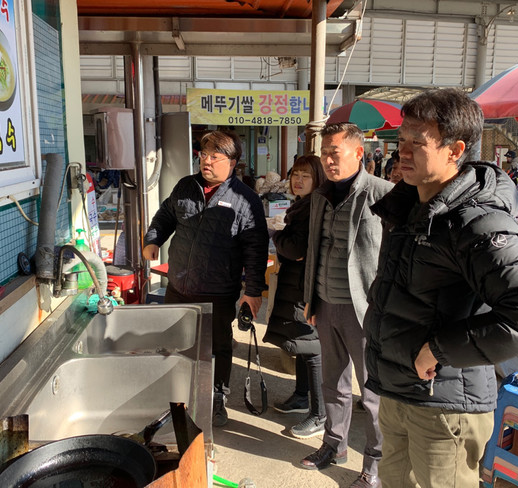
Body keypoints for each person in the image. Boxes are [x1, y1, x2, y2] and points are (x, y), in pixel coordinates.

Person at [364, 88, 518, 488]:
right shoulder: (410, 205)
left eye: (418, 143)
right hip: (398, 391)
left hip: (445, 405)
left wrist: (438, 349)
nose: (402, 152)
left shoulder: (475, 220)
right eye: (401, 140)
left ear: (455, 151)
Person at [142, 130, 269, 427]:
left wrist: (253, 291)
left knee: (218, 346)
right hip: (179, 286)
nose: (206, 161)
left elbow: (256, 249)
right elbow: (165, 216)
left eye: (215, 156)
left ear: (233, 162)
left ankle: (217, 396)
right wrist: (153, 239)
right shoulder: (186, 186)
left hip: (218, 291)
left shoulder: (245, 199)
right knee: (177, 342)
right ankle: (177, 394)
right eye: (203, 155)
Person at [300, 122, 393, 488]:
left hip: (365, 309)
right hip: (326, 303)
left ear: (358, 153)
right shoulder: (320, 195)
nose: (327, 160)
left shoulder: (383, 194)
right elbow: (314, 249)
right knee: (333, 383)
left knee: (372, 394)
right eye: (324, 153)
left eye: (334, 153)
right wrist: (310, 298)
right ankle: (334, 445)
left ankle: (375, 465)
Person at [264, 155, 327, 439]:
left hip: (306, 286)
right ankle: (302, 396)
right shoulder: (303, 204)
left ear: (318, 179)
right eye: (295, 175)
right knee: (302, 344)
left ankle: (319, 414)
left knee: (310, 345)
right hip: (297, 282)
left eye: (306, 176)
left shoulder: (313, 207)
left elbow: (296, 249)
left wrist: (277, 234)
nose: (298, 180)